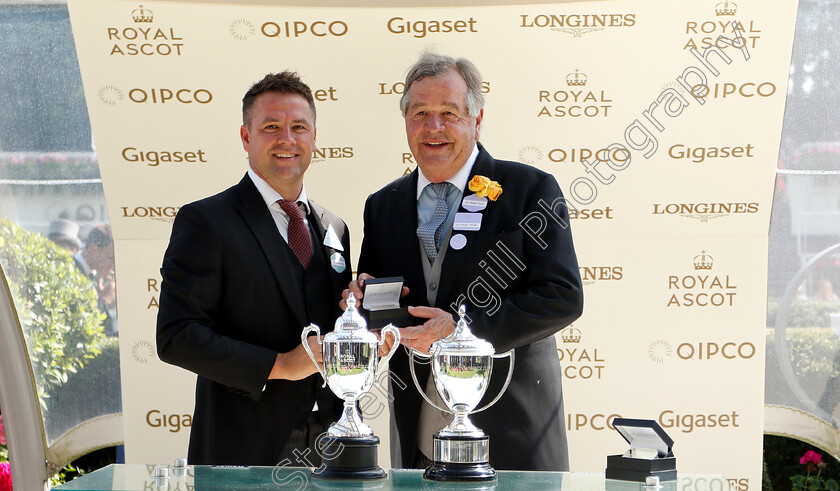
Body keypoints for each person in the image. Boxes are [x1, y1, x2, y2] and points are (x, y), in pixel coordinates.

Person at [347, 52, 583, 471]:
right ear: (405, 122)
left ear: (476, 120)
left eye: (448, 113)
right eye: (420, 113)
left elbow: (561, 296)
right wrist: (361, 304)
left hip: (512, 436)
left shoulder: (529, 190)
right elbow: (382, 308)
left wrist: (464, 331)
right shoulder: (383, 205)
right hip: (420, 442)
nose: (433, 127)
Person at [156, 71, 351, 465]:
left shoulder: (335, 227)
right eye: (271, 127)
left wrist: (363, 324)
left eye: (299, 127)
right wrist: (279, 366)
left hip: (333, 448)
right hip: (241, 452)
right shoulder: (206, 221)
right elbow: (177, 335)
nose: (287, 139)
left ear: (314, 137)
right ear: (246, 137)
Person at [74, 222, 117, 335]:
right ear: (93, 249)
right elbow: (84, 328)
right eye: (110, 258)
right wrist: (106, 300)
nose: (113, 267)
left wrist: (100, 298)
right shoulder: (73, 272)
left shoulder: (87, 273)